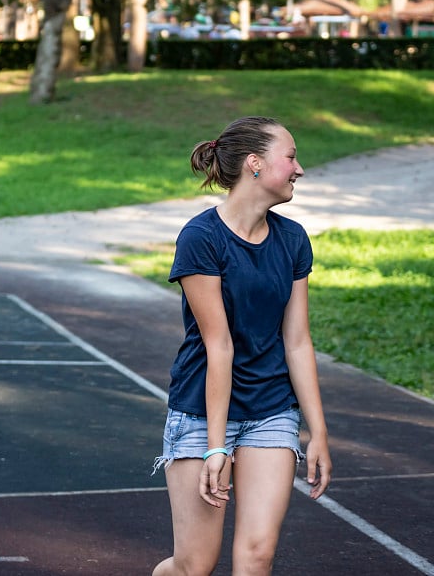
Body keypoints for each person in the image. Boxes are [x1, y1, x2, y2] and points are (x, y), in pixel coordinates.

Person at [152, 116, 332, 575]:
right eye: (290, 157)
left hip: (270, 409)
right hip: (202, 410)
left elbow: (296, 341)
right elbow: (220, 347)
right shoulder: (201, 239)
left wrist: (318, 432)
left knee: (256, 556)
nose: (299, 168)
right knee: (194, 566)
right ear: (255, 163)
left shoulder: (292, 239)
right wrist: (216, 448)